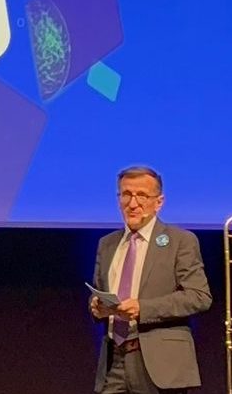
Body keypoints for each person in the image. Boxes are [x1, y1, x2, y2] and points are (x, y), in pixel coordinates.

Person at [90, 166, 212, 393]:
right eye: (126, 194)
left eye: (142, 196)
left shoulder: (180, 241)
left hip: (160, 366)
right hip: (114, 361)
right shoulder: (107, 244)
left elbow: (199, 297)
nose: (133, 203)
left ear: (159, 202)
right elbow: (99, 291)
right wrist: (97, 308)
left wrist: (142, 308)